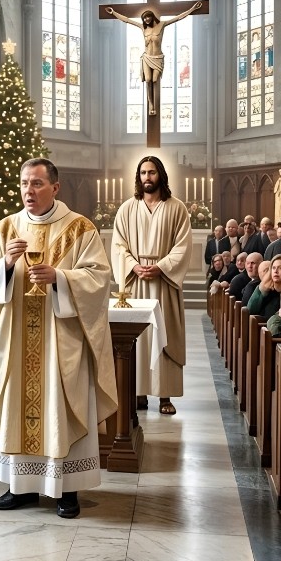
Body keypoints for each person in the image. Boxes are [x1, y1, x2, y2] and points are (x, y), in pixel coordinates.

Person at [0, 158, 117, 519]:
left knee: (59, 406)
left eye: (37, 183)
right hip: (17, 342)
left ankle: (65, 489)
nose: (28, 191)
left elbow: (100, 278)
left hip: (61, 341)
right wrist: (4, 266)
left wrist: (61, 278)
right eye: (24, 183)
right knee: (17, 408)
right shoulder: (6, 228)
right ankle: (18, 486)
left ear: (55, 187)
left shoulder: (80, 228)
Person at [112, 156, 192, 416]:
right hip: (135, 282)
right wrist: (133, 266)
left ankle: (165, 396)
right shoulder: (127, 209)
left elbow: (183, 245)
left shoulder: (176, 208)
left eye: (152, 172)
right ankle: (139, 393)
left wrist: (161, 267)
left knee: (164, 335)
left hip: (163, 281)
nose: (148, 177)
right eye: (143, 173)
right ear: (138, 177)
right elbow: (118, 245)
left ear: (161, 176)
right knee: (139, 337)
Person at [105, 0, 204, 115]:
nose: (146, 19)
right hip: (147, 58)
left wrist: (192, 9)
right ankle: (151, 105)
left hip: (158, 58)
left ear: (152, 16)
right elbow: (127, 20)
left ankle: (155, 104)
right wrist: (113, 13)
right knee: (148, 80)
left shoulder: (162, 25)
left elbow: (178, 18)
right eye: (144, 18)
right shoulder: (143, 27)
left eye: (148, 17)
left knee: (155, 79)